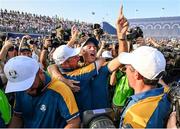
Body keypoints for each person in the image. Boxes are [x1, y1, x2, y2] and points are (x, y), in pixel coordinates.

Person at [4, 56, 80, 128]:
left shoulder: (60, 90)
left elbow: (74, 122)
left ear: (40, 72)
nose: (26, 91)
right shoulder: (20, 90)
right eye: (21, 86)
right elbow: (17, 117)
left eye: (29, 84)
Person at [118, 46, 171, 128]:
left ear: (137, 75)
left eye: (126, 68)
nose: (125, 72)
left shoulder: (136, 116)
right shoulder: (168, 93)